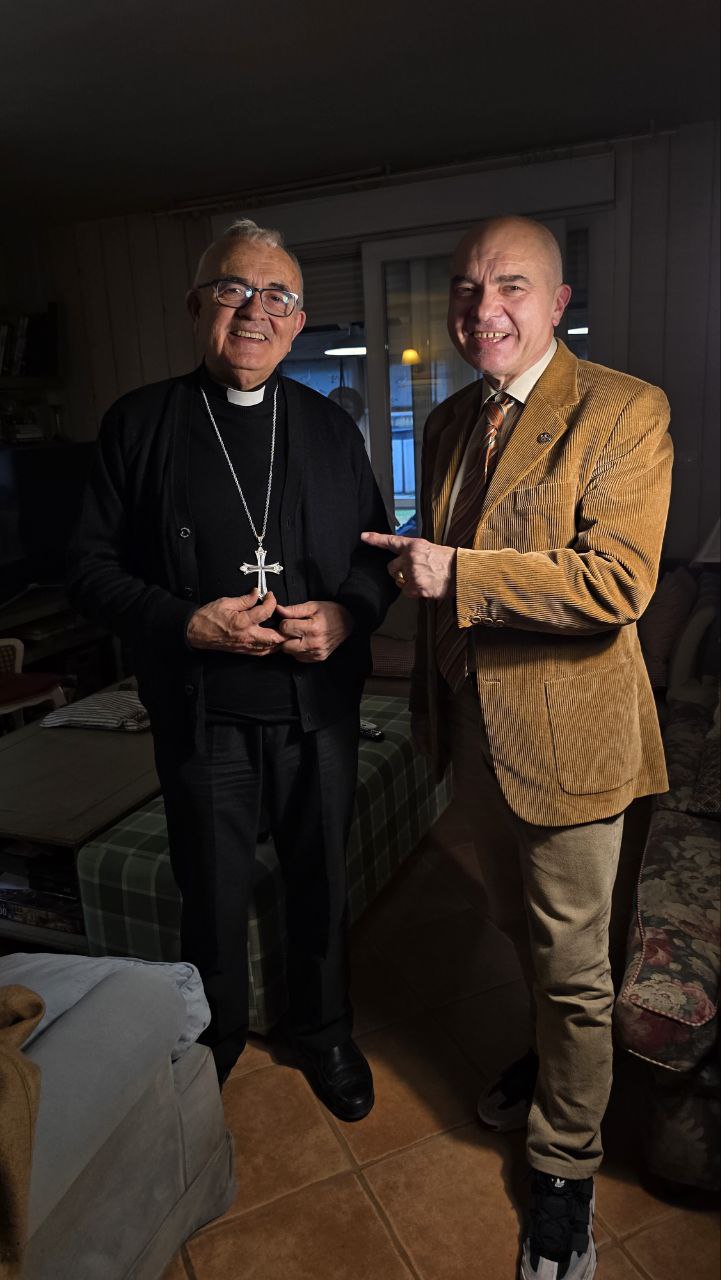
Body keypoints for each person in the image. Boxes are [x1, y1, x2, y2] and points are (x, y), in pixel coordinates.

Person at [363, 215, 672, 1279]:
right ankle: (552, 1062)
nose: (480, 307)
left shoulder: (625, 409)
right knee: (516, 928)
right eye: (462, 289)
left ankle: (562, 1167)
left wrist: (460, 575)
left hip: (572, 739)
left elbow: (617, 584)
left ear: (556, 299)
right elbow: (439, 551)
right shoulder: (450, 420)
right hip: (474, 734)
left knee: (575, 968)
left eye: (507, 285)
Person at [67, 218, 396, 1119]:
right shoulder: (139, 424)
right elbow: (88, 570)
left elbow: (376, 558)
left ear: (299, 324)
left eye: (279, 297)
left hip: (315, 710)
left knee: (319, 878)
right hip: (203, 711)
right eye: (233, 290)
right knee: (208, 890)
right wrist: (183, 622)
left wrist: (344, 613)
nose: (256, 311)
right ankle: (211, 1037)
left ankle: (322, 1032)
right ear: (197, 306)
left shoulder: (331, 429)